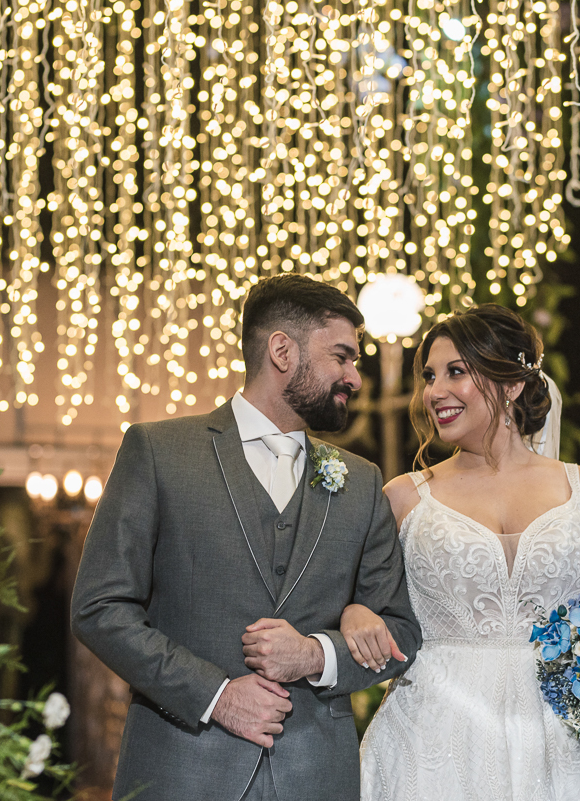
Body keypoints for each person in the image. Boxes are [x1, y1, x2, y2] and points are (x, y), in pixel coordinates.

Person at [70, 275, 422, 801]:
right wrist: (216, 695)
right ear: (282, 350)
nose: (355, 378)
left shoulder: (361, 481)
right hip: (180, 769)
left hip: (316, 777)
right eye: (342, 357)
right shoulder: (160, 452)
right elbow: (100, 606)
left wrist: (315, 655)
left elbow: (401, 636)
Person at [345, 304, 580, 800]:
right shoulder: (404, 496)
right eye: (430, 376)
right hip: (432, 736)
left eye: (456, 372)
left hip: (564, 741)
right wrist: (354, 611)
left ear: (513, 384)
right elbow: (353, 599)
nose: (435, 391)